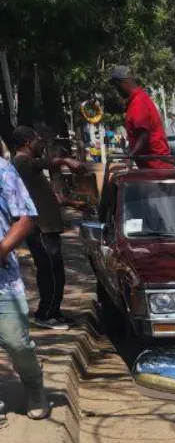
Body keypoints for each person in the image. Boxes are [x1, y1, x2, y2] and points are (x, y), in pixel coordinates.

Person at [10, 126, 86, 329]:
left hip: (49, 227)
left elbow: (44, 196)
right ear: (28, 143)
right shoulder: (21, 161)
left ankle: (54, 311)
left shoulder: (30, 166)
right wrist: (64, 160)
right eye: (37, 140)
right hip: (40, 228)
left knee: (56, 271)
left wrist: (71, 203)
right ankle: (45, 314)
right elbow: (44, 163)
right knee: (48, 271)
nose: (40, 143)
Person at [0, 154, 48, 426]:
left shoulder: (2, 169)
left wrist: (3, 248)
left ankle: (34, 385)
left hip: (3, 278)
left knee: (17, 343)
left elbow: (26, 217)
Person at [109, 66, 172, 168]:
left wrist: (130, 156)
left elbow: (143, 136)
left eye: (116, 85)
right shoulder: (138, 99)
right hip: (152, 165)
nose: (116, 90)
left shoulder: (138, 102)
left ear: (124, 83)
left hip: (155, 167)